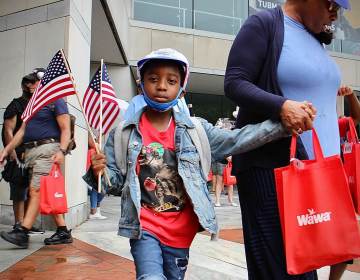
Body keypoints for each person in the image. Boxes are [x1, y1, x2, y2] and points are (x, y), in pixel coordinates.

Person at [84, 48, 296, 280]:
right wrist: (99, 171)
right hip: (144, 228)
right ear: (141, 83)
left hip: (181, 233)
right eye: (153, 79)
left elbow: (238, 139)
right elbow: (114, 184)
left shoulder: (196, 131)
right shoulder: (123, 133)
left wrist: (282, 126)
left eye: (171, 81)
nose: (162, 86)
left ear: (182, 89)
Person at [224, 0, 349, 279]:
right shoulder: (265, 24)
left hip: (320, 175)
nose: (334, 13)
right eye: (330, 3)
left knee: (307, 266)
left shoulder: (316, 38)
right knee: (282, 270)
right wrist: (282, 106)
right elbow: (234, 82)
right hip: (275, 171)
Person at [0, 93, 73, 248]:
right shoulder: (33, 104)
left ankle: (23, 232)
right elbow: (21, 132)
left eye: (36, 81)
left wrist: (62, 151)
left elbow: (66, 129)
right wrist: (6, 150)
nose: (32, 85)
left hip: (47, 150)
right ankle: (62, 230)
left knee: (36, 190)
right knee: (43, 191)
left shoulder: (56, 101)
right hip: (31, 152)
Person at [1, 69, 46, 234]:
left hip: (34, 153)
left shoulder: (38, 105)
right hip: (18, 153)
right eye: (33, 82)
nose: (36, 85)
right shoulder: (17, 104)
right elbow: (8, 130)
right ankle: (18, 223)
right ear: (27, 85)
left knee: (31, 189)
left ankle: (27, 223)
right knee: (19, 190)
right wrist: (11, 152)